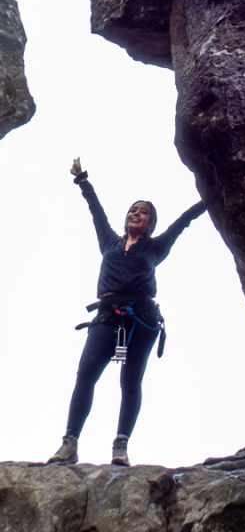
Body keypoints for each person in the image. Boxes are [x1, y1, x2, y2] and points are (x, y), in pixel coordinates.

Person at [48, 157, 206, 467]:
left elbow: (185, 220)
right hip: (107, 316)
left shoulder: (156, 247)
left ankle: (120, 446)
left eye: (144, 212)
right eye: (133, 210)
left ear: (150, 223)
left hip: (142, 320)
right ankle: (70, 443)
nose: (137, 214)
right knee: (85, 376)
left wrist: (212, 194)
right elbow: (96, 212)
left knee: (131, 382)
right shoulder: (109, 242)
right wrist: (83, 181)